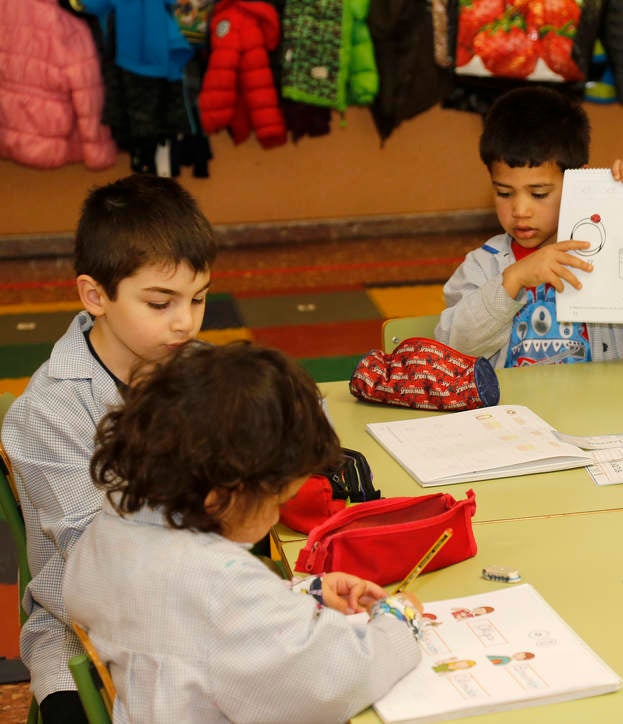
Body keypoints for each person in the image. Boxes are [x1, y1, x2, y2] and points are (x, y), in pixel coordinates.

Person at [63, 341, 424, 723]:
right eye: (276, 500)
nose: (275, 517)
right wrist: (399, 621)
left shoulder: (117, 522)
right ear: (222, 495)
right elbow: (328, 683)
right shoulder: (219, 585)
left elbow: (193, 616)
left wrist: (305, 593)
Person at [1, 174, 218, 723]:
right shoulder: (46, 413)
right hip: (84, 639)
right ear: (95, 296)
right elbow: (98, 563)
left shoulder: (198, 362)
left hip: (207, 605)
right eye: (160, 302)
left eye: (198, 298)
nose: (185, 322)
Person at [435, 86, 623, 368]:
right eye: (504, 193)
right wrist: (511, 281)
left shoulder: (610, 247)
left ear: (579, 182)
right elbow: (451, 347)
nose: (520, 211)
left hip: (605, 408)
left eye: (538, 194)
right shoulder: (482, 266)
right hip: (514, 410)